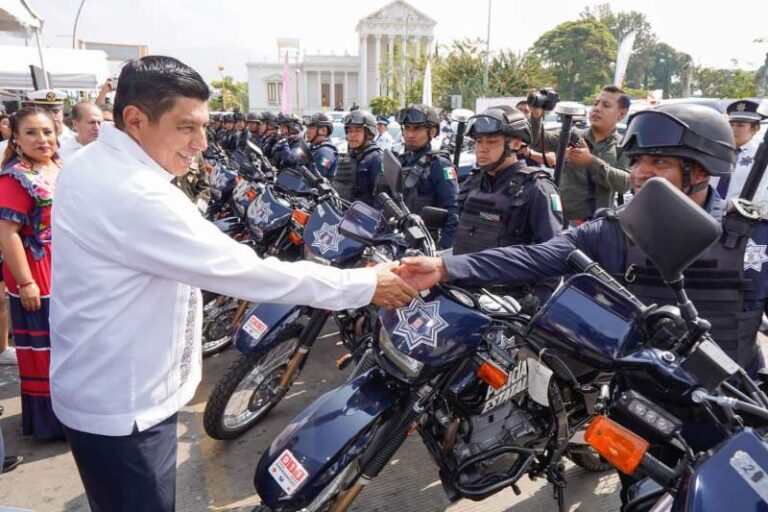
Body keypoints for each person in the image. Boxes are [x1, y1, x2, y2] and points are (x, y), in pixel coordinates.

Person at [49, 55, 418, 512]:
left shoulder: (93, 162)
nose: (202, 143)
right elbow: (249, 273)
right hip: (127, 409)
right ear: (136, 119)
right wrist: (364, 284)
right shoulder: (133, 193)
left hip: (108, 387)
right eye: (187, 127)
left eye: (204, 126)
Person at [400, 103, 765, 374]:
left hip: (731, 410)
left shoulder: (753, 240)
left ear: (700, 171)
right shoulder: (615, 229)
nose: (639, 174)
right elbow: (536, 256)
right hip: (639, 401)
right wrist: (445, 267)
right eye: (637, 162)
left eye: (658, 163)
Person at [453, 106, 563, 303]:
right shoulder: (473, 181)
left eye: (492, 141)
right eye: (478, 141)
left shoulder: (536, 188)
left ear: (516, 143)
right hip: (463, 292)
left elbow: (553, 253)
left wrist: (537, 301)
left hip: (507, 302)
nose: (482, 148)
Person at [0, 107, 64, 441]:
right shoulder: (15, 177)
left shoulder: (58, 167)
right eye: (32, 133)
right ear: (16, 137)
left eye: (47, 132)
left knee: (69, 346)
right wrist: (26, 282)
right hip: (37, 270)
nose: (42, 139)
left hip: (66, 266)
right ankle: (52, 422)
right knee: (47, 350)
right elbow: (7, 233)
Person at [528, 85, 631, 225]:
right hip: (558, 222)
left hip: (595, 226)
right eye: (595, 103)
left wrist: (590, 162)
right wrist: (536, 115)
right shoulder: (572, 135)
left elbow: (625, 183)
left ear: (621, 114)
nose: (597, 109)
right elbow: (537, 142)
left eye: (606, 105)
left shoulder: (623, 146)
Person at [382, 104, 460, 250]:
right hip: (396, 241)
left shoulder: (439, 165)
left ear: (432, 132)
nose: (410, 134)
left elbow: (453, 211)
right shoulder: (402, 161)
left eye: (417, 129)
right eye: (407, 128)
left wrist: (442, 249)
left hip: (424, 245)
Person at [711, 99, 768, 208]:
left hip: (741, 214)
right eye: (731, 124)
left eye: (740, 125)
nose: (733, 129)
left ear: (755, 129)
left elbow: (761, 195)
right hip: (709, 211)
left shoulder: (761, 156)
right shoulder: (716, 150)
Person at [335, 110, 382, 205]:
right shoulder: (351, 155)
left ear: (369, 133)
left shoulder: (376, 158)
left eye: (358, 130)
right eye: (349, 131)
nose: (352, 135)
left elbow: (381, 199)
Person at [305, 113, 338, 179]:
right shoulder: (315, 148)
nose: (307, 132)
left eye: (312, 128)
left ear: (323, 131)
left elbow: (315, 177)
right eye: (307, 128)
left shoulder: (324, 153)